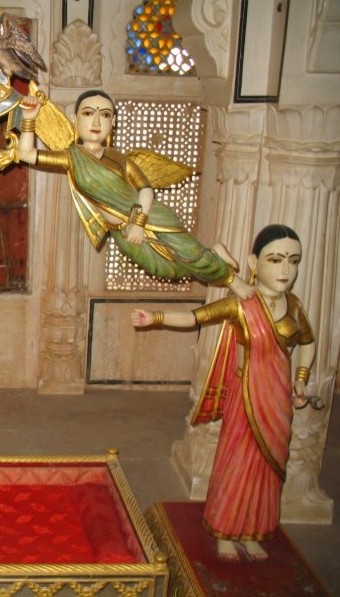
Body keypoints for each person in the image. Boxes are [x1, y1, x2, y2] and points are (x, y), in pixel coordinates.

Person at [131, 224, 315, 562]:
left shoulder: (295, 305)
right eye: (275, 259)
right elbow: (196, 318)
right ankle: (226, 531)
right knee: (238, 463)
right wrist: (154, 316)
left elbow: (306, 343)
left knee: (266, 469)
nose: (286, 270)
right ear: (254, 263)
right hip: (245, 398)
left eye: (294, 260)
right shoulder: (242, 305)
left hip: (278, 400)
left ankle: (253, 531)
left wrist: (301, 380)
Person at [18, 90, 253, 299]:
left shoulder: (120, 159)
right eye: (89, 113)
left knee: (190, 254)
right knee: (166, 269)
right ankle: (215, 253)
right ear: (75, 118)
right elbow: (27, 154)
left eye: (106, 115)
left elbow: (146, 189)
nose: (97, 121)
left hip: (151, 217)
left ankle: (234, 281)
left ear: (114, 122)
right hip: (120, 231)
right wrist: (29, 119)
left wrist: (139, 223)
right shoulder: (71, 157)